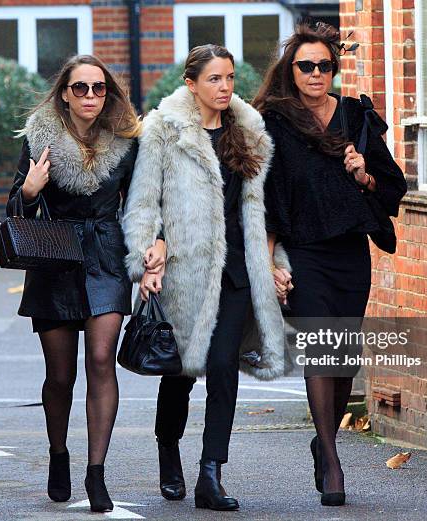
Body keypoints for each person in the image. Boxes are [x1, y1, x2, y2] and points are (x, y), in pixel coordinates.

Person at [122, 44, 289, 511]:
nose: (225, 87)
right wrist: (146, 256)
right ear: (191, 83)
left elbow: (259, 209)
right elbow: (142, 202)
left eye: (231, 78)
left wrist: (275, 266)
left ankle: (210, 472)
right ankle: (168, 449)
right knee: (180, 373)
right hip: (184, 272)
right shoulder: (162, 130)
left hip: (236, 270)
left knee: (221, 367)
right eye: (215, 79)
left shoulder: (249, 131)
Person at [253, 23, 407, 506]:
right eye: (306, 66)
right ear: (290, 70)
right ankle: (335, 462)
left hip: (348, 251)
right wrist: (268, 260)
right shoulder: (273, 122)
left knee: (343, 357)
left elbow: (393, 187)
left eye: (324, 65)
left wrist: (364, 176)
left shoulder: (355, 115)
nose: (316, 73)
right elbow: (268, 197)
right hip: (304, 252)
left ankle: (323, 443)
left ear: (333, 67)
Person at [6, 54, 142, 513]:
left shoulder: (125, 139)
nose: (89, 96)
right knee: (60, 376)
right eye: (80, 88)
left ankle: (97, 472)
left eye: (98, 89)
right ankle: (59, 453)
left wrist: (154, 243)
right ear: (64, 92)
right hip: (55, 257)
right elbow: (15, 208)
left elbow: (143, 200)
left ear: (108, 94)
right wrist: (29, 189)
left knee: (102, 359)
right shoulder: (39, 137)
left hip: (106, 253)